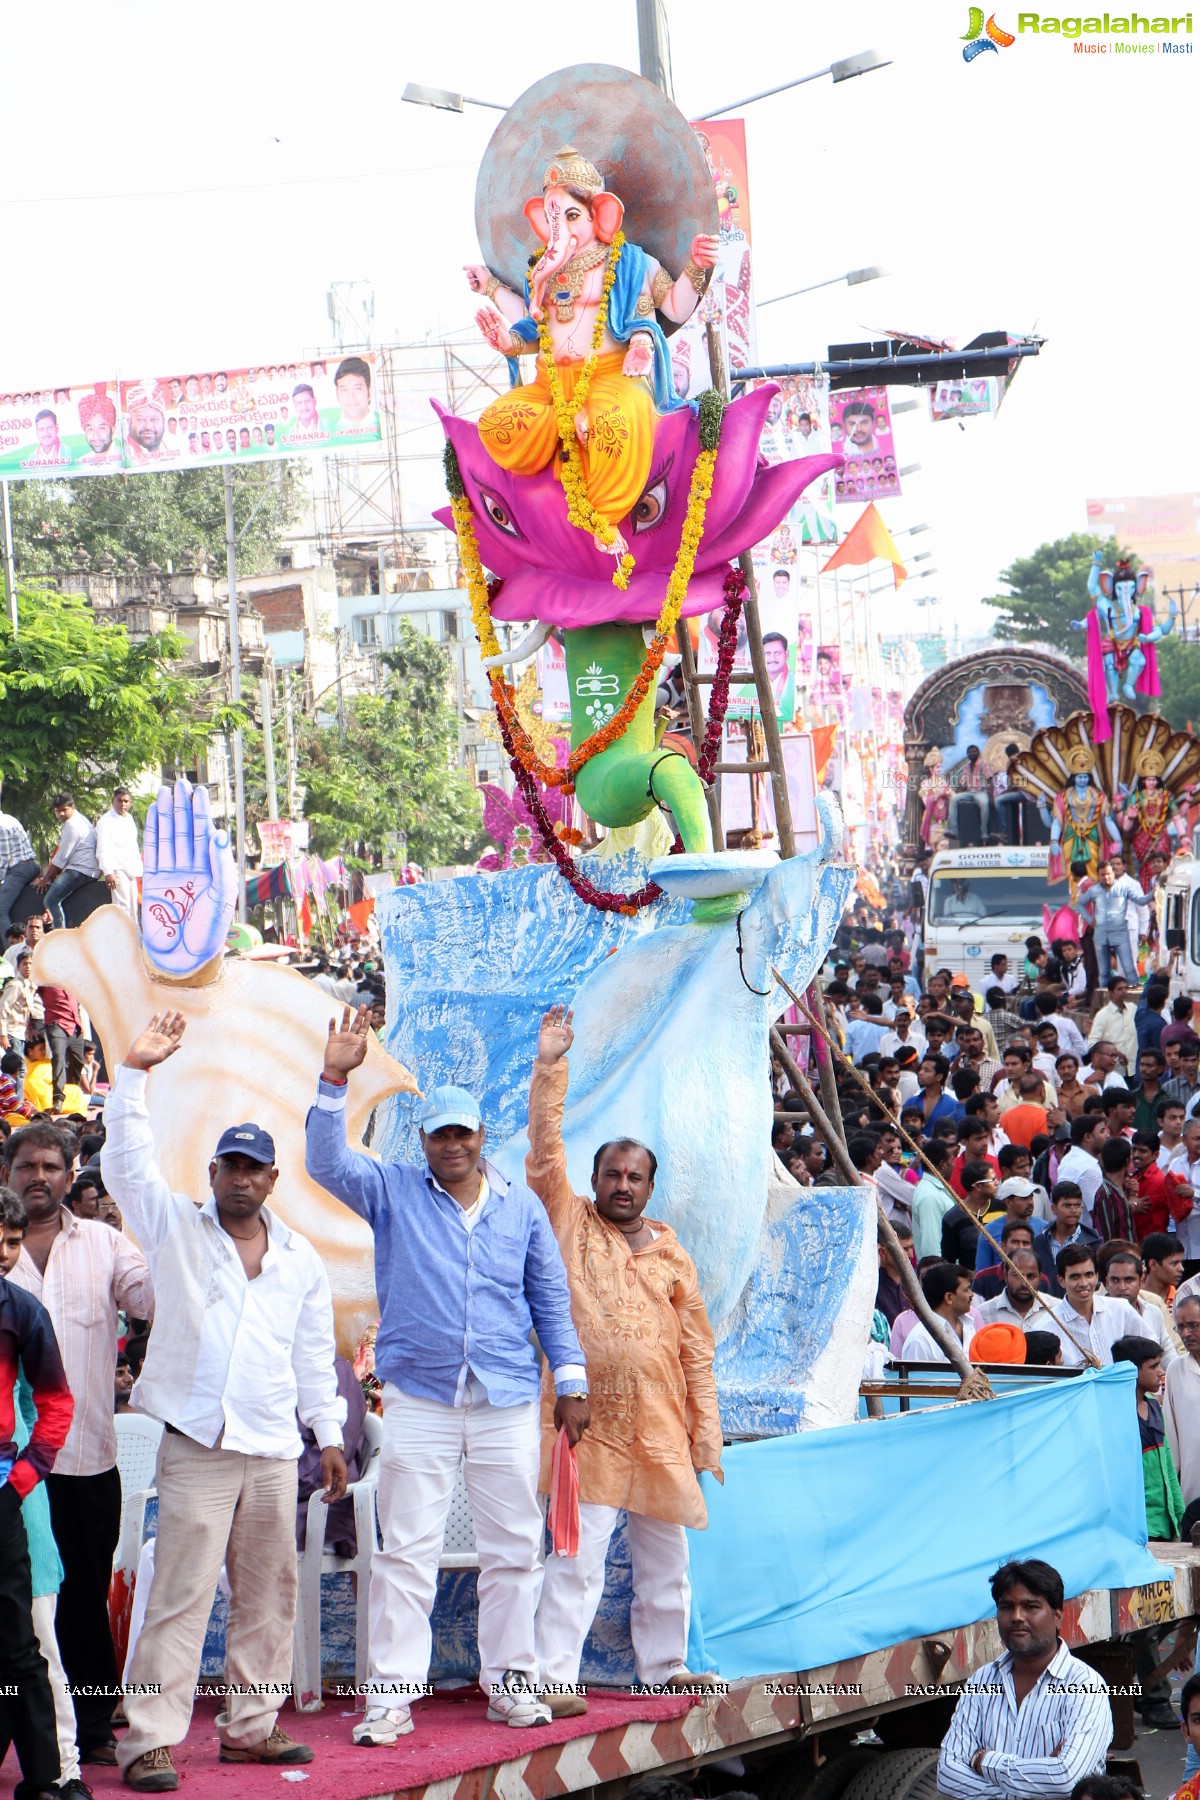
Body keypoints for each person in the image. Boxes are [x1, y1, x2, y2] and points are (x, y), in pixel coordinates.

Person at [305, 1006, 588, 1744]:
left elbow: (549, 1299)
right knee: (406, 1550)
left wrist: (574, 1381)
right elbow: (326, 1163)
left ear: (480, 1138)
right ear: (424, 1140)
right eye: (440, 1133)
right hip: (421, 1398)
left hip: (504, 1398)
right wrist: (334, 1076)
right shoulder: (393, 1190)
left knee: (514, 1550)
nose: (452, 1144)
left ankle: (510, 1685)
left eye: (463, 1132)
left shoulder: (520, 1208)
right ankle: (391, 1696)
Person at [102, 1010, 345, 1790]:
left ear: (273, 1179)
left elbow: (313, 1354)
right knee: (179, 1594)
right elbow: (128, 1168)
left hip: (275, 1446)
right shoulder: (174, 1227)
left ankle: (250, 1728)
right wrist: (134, 1075)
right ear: (211, 1173)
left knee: (270, 1594)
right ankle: (146, 1741)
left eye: (253, 1168)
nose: (240, 1178)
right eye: (228, 1166)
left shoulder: (300, 1260)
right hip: (198, 1443)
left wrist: (330, 1433)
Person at [525, 1008, 721, 1713]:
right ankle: (553, 1678)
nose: (623, 1186)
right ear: (596, 1177)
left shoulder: (672, 1254)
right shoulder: (570, 1222)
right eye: (612, 1173)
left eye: (636, 1177)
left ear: (650, 1185)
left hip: (663, 1427)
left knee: (666, 1560)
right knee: (576, 1556)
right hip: (591, 1426)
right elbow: (545, 1152)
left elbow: (697, 1350)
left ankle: (665, 1669)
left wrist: (705, 1434)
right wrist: (551, 1065)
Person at [2, 1119, 154, 1768]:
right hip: (11, 1477)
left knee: (85, 1600)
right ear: (7, 1174)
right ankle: (25, 1729)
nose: (39, 1176)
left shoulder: (105, 1245)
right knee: (14, 1606)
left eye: (51, 1166)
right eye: (26, 1165)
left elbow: (151, 1300)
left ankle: (91, 1729)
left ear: (71, 1174)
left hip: (87, 1458)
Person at [0, 1185, 77, 1800]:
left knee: (21, 1643)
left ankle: (50, 1779)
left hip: (5, 1496)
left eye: (12, 1241)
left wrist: (23, 1477)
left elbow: (55, 1403)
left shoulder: (23, 1311)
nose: (4, 1252)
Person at [936, 1559, 1111, 1798]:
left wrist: (983, 1759)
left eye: (1030, 1606)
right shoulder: (982, 1682)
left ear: (1058, 1615)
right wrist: (1030, 1784)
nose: (1016, 1617)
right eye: (1006, 1607)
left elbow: (1066, 1779)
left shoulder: (1085, 1685)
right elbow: (947, 1774)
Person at [1042, 1244, 1151, 1367]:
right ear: (1061, 1280)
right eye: (1075, 1277)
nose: (1084, 1283)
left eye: (1089, 1275)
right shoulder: (1046, 1327)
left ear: (1097, 1276)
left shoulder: (1121, 1310)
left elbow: (1149, 1350)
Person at [32, 793, 100, 930]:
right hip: (86, 869)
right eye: (58, 811)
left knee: (50, 901)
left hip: (80, 870)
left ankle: (60, 934)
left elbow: (60, 861)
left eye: (64, 810)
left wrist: (45, 879)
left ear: (72, 807)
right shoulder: (80, 819)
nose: (61, 814)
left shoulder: (72, 827)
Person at [1103, 1250, 1177, 1367]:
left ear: (1141, 1281)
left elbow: (1169, 1358)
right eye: (1115, 1280)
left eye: (1129, 1280)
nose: (1122, 1287)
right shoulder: (1095, 1314)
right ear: (1107, 1283)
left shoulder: (1153, 1311)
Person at [1079, 864, 1149, 987]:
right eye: (1103, 874)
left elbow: (1142, 907)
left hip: (1128, 928)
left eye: (1118, 864)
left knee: (1129, 963)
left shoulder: (1129, 885)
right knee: (1109, 966)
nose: (1107, 875)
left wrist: (1143, 930)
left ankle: (1130, 992)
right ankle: (1114, 992)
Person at [897, 1261, 976, 1362]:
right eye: (966, 1290)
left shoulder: (969, 1327)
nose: (971, 1294)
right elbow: (916, 1377)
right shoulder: (920, 1340)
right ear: (948, 1297)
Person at [1034, 1183, 1101, 1298]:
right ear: (1054, 1208)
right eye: (1067, 1205)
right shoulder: (1039, 1242)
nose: (1073, 1210)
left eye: (1077, 1205)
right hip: (1045, 1306)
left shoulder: (1094, 1243)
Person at [1166, 1297, 1200, 1507]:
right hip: (1191, 1484)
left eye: (1193, 1326)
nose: (1186, 1333)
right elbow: (1171, 1434)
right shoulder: (1175, 1369)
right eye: (1180, 1327)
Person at [94, 787, 143, 919]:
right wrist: (108, 872)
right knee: (123, 908)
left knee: (134, 908)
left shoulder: (129, 819)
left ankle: (135, 938)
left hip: (131, 869)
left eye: (126, 801)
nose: (123, 804)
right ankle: (124, 937)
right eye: (119, 801)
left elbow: (133, 845)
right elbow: (102, 848)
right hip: (117, 869)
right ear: (113, 801)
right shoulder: (106, 821)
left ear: (130, 802)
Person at [1056, 1113, 1108, 1227]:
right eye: (1102, 1131)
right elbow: (1097, 1213)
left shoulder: (1070, 1157)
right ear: (1088, 1137)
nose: (1107, 1135)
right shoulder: (1089, 1169)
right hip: (1087, 1237)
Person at [0, 805, 41, 947]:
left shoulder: (1, 826)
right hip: (25, 866)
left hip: (21, 868)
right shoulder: (9, 819)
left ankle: (12, 950)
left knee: (1, 909)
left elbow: (3, 860)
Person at [979, 1246, 1047, 1329]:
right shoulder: (984, 1314)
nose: (1024, 1284)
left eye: (1031, 1276)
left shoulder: (1055, 1309)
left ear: (1040, 1277)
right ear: (1005, 1276)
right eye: (1017, 1276)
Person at [911, 1138, 957, 1259]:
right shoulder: (929, 1196)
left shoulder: (935, 1190)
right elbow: (931, 1245)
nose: (954, 1164)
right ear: (942, 1164)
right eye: (952, 1160)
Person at [1087, 977, 1139, 1076]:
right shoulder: (1103, 1015)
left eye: (1125, 988)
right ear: (1111, 992)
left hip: (1134, 1069)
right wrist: (1114, 1053)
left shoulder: (1133, 1009)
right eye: (1119, 989)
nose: (1124, 991)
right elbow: (1092, 1044)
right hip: (1114, 1071)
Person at [1091, 1138, 1135, 1243]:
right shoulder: (1106, 1194)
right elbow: (1107, 1240)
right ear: (1127, 1161)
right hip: (1117, 1257)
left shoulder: (1122, 1190)